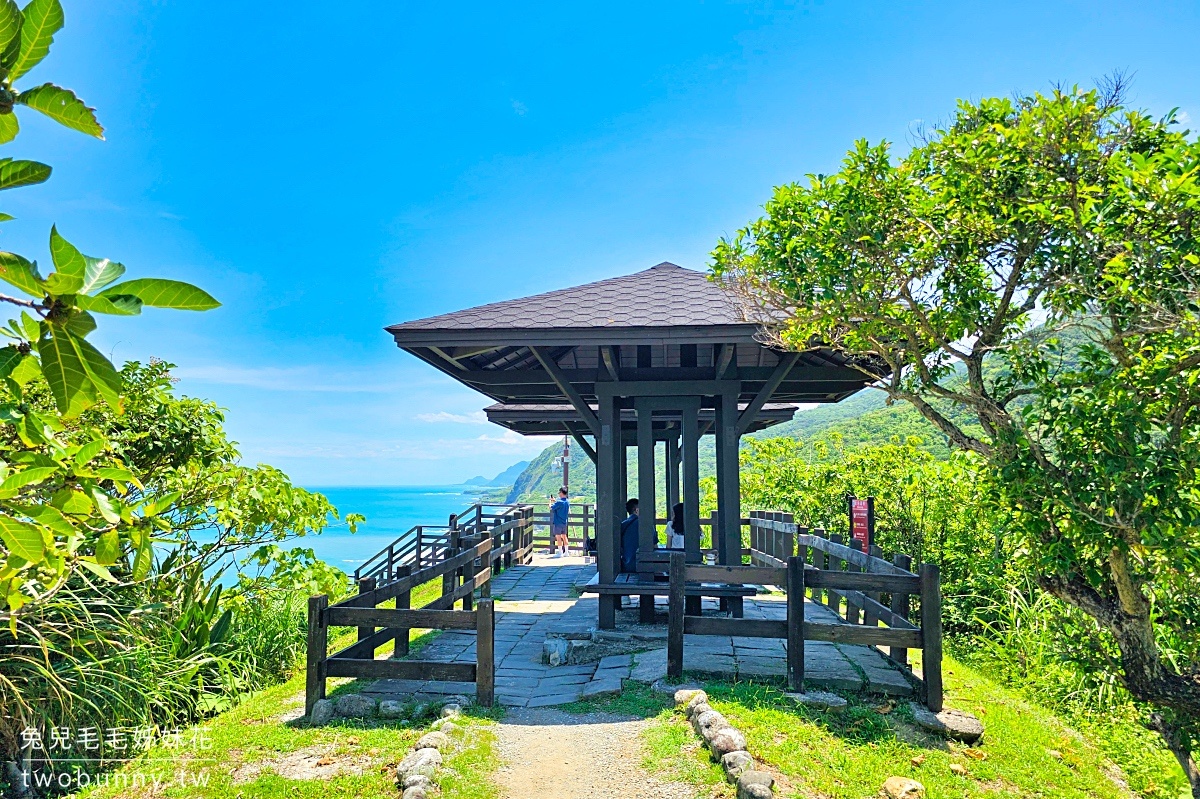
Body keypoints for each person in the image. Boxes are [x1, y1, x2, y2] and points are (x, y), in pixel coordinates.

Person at [620, 497, 639, 573]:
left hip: (626, 566)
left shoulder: (623, 525)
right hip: (645, 566)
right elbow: (654, 546)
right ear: (637, 510)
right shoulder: (646, 525)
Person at [549, 487, 570, 555]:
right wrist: (555, 501)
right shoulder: (567, 501)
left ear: (561, 493)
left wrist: (550, 502)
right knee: (564, 536)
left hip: (558, 522)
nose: (558, 494)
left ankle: (560, 553)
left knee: (558, 537)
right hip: (564, 522)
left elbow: (551, 507)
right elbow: (560, 504)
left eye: (559, 492)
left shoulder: (559, 502)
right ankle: (566, 552)